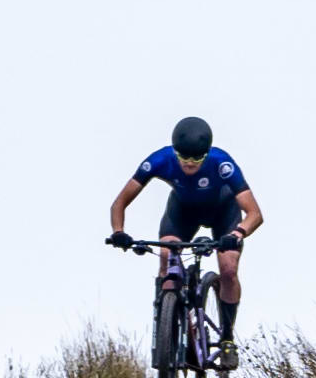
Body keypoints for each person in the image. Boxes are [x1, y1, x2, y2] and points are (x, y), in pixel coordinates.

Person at [101, 117, 263, 345]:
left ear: (206, 154)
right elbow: (119, 203)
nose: (189, 163)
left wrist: (238, 233)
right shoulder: (160, 159)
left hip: (223, 212)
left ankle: (227, 336)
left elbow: (255, 214)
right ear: (175, 152)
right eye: (183, 157)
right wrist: (119, 232)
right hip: (183, 212)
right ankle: (174, 325)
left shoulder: (222, 163)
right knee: (167, 257)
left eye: (197, 158)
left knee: (228, 269)